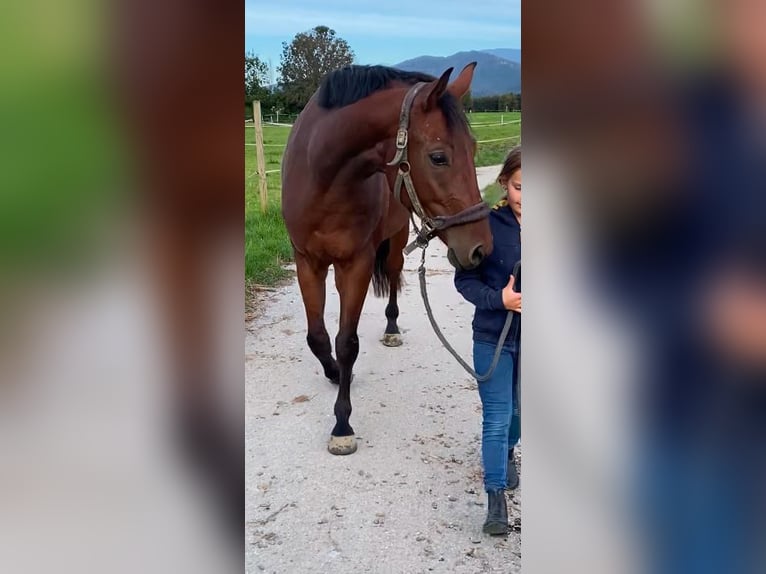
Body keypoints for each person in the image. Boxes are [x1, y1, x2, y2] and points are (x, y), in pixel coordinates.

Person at [455, 146, 521, 535]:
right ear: (504, 185)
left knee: (519, 414)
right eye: (519, 187)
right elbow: (464, 279)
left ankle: (510, 450)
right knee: (496, 419)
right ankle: (495, 500)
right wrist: (500, 299)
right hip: (493, 338)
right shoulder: (489, 226)